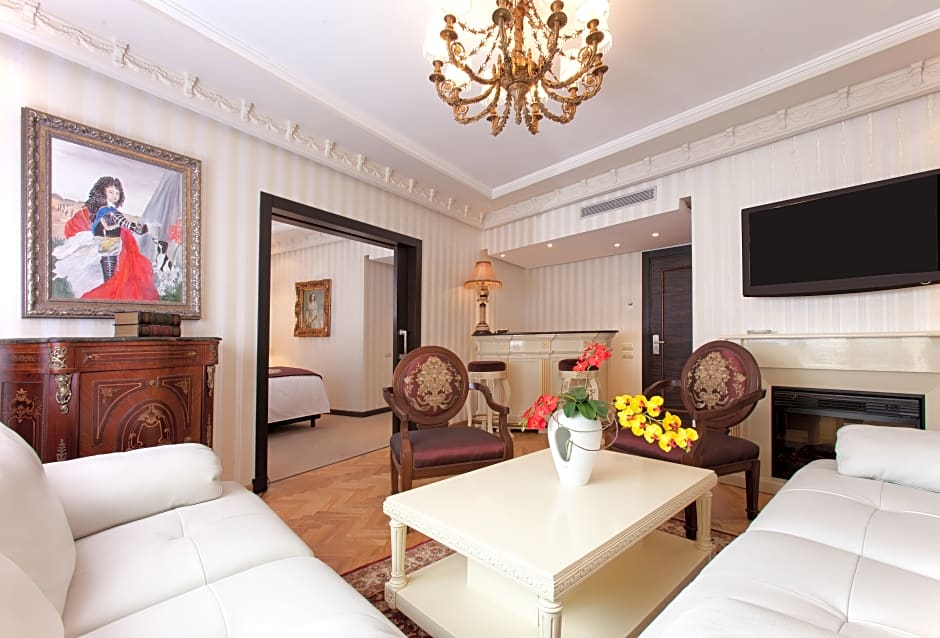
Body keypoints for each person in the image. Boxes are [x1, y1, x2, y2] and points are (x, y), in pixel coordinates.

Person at [54, 176, 158, 301]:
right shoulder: (107, 211)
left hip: (109, 246)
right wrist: (137, 228)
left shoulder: (105, 211)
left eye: (117, 193)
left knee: (109, 277)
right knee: (110, 278)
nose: (115, 195)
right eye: (111, 192)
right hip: (109, 246)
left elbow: (118, 222)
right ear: (102, 192)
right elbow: (120, 222)